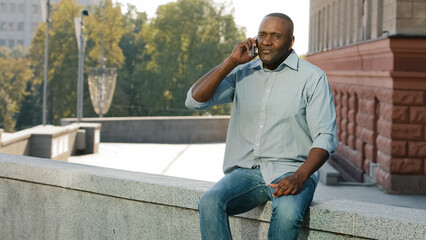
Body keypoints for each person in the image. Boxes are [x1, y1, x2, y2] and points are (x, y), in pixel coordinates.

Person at [185, 12, 337, 240]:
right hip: (246, 171)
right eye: (262, 35)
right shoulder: (241, 73)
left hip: (291, 170)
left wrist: (300, 175)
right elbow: (195, 101)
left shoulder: (312, 78)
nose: (266, 41)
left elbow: (325, 136)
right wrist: (231, 62)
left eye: (276, 36)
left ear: (291, 42)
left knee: (287, 213)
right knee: (210, 201)